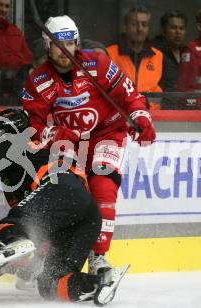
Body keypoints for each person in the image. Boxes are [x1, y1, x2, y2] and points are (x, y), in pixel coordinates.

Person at [0, 108, 128, 305]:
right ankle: (99, 283)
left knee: (5, 228)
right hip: (87, 214)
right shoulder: (36, 154)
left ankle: (15, 241)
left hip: (59, 188)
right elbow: (39, 227)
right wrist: (17, 263)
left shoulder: (13, 142)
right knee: (50, 283)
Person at [22, 16, 155, 276]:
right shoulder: (38, 81)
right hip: (69, 140)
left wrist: (141, 117)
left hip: (108, 133)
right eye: (59, 46)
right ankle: (45, 256)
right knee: (67, 195)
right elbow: (32, 128)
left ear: (76, 43)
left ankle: (98, 259)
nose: (65, 52)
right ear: (48, 46)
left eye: (70, 44)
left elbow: (130, 95)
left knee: (104, 188)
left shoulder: (98, 63)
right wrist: (55, 132)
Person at [106, 6, 163, 110]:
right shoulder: (109, 53)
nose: (140, 28)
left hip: (151, 116)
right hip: (119, 116)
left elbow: (158, 92)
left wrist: (147, 107)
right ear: (125, 27)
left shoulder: (158, 56)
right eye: (134, 24)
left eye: (144, 25)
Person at [151, 11, 187, 96]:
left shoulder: (187, 52)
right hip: (160, 102)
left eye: (181, 28)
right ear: (163, 31)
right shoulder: (153, 51)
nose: (178, 32)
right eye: (173, 28)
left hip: (184, 101)